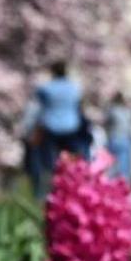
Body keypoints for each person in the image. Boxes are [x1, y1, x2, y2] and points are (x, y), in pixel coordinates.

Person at [24, 61, 88, 194]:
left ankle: (52, 190)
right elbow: (80, 107)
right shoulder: (74, 88)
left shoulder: (46, 88)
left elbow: (39, 108)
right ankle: (69, 187)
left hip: (50, 127)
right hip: (71, 127)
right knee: (71, 161)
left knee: (50, 162)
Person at [103, 92, 131, 182]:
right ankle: (123, 186)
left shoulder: (112, 110)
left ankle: (110, 183)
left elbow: (105, 122)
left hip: (114, 139)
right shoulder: (128, 112)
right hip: (125, 140)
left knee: (111, 163)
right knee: (124, 166)